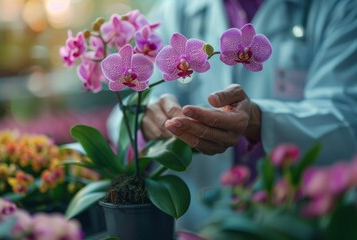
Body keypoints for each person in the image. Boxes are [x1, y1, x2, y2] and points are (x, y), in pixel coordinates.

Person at [108, 0, 357, 232]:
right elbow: (125, 114)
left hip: (293, 221)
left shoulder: (340, 8)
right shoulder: (176, 9)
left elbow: (346, 119)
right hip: (194, 223)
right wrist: (147, 118)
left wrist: (260, 120)